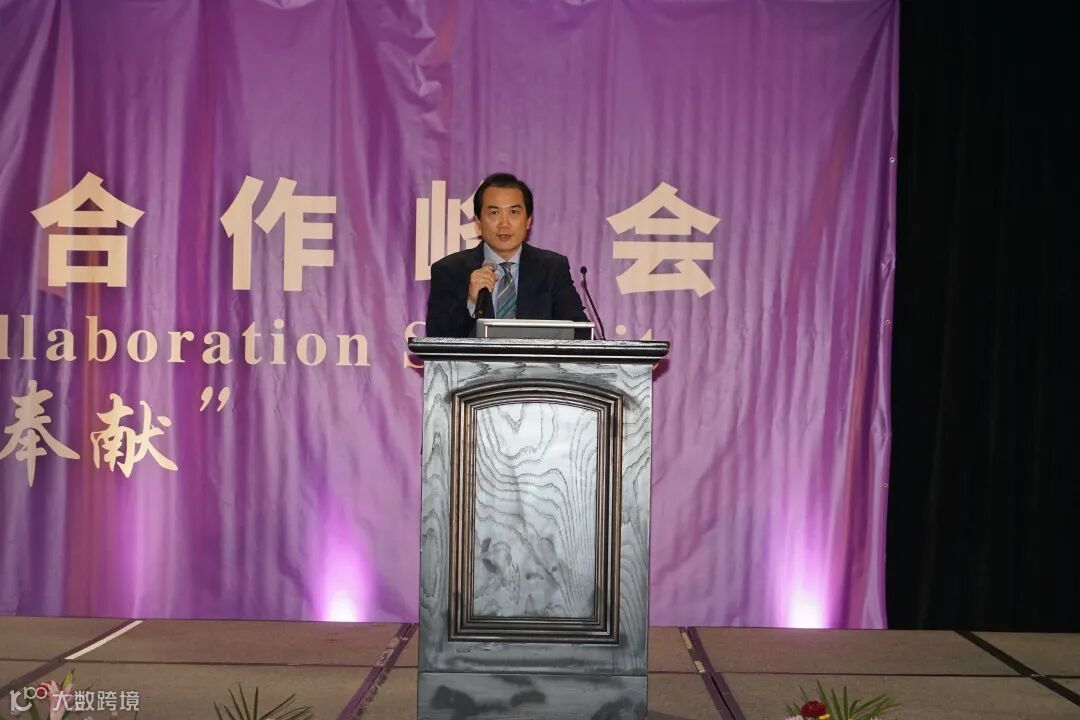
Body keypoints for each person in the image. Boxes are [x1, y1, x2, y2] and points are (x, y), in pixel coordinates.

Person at [424, 173, 589, 338]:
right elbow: (436, 338)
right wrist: (471, 302)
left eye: (514, 212)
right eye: (494, 213)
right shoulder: (449, 271)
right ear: (478, 222)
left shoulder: (552, 269)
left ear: (528, 220)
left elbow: (581, 334)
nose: (504, 224)